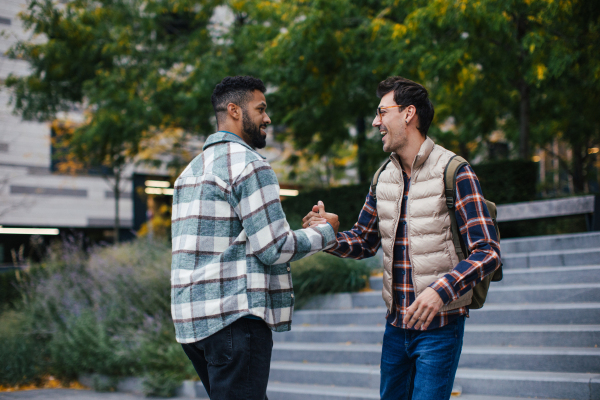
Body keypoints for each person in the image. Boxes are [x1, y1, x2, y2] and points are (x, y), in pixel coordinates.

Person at [303, 76, 501, 400]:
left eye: (382, 112)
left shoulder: (455, 171)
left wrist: (441, 290)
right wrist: (327, 235)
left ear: (408, 114)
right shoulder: (383, 177)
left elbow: (488, 251)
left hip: (440, 329)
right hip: (395, 329)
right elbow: (364, 241)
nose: (375, 121)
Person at [171, 76, 337, 400]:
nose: (267, 118)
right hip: (233, 317)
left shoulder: (188, 172)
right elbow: (274, 247)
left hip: (192, 322)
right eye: (261, 109)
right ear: (234, 110)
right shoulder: (250, 164)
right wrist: (324, 232)